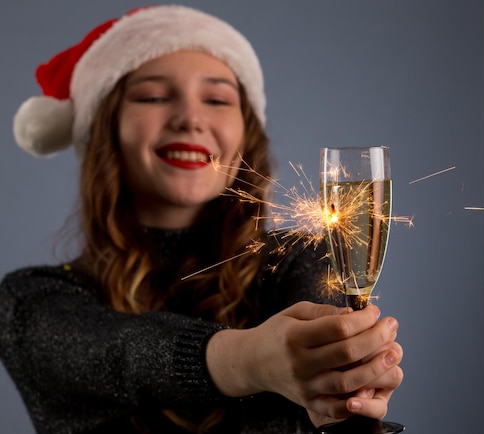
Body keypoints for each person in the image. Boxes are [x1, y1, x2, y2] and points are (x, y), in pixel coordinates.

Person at [0, 5, 403, 434]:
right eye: (153, 96)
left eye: (217, 99)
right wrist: (250, 360)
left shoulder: (302, 260)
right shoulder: (30, 303)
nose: (190, 119)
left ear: (246, 135)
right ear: (104, 130)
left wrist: (346, 396)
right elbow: (120, 355)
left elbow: (329, 395)